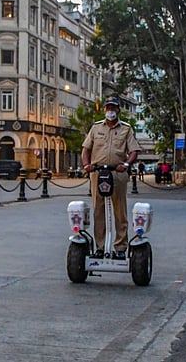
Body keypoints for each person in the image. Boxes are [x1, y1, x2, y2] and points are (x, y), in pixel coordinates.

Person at [81, 96, 142, 260]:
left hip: (118, 173)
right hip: (98, 174)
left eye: (113, 108)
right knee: (98, 210)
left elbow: (134, 151)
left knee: (119, 211)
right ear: (104, 110)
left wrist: (127, 165)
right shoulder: (95, 128)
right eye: (108, 108)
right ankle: (100, 247)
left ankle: (120, 247)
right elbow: (86, 149)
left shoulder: (126, 129)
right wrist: (87, 165)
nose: (110, 111)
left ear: (118, 110)